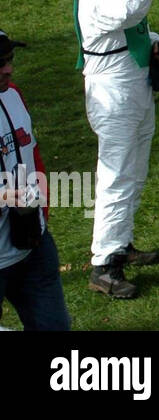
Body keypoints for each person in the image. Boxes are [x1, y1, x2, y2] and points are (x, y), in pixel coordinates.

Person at [73, 0, 159, 299]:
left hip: (133, 88)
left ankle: (122, 243)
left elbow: (135, 26)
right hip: (113, 96)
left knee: (135, 171)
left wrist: (158, 43)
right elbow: (129, 12)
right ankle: (104, 264)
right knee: (115, 177)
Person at [0, 29, 71, 329]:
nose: (8, 69)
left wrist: (41, 213)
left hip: (33, 248)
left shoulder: (14, 95)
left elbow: (33, 154)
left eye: (9, 59)